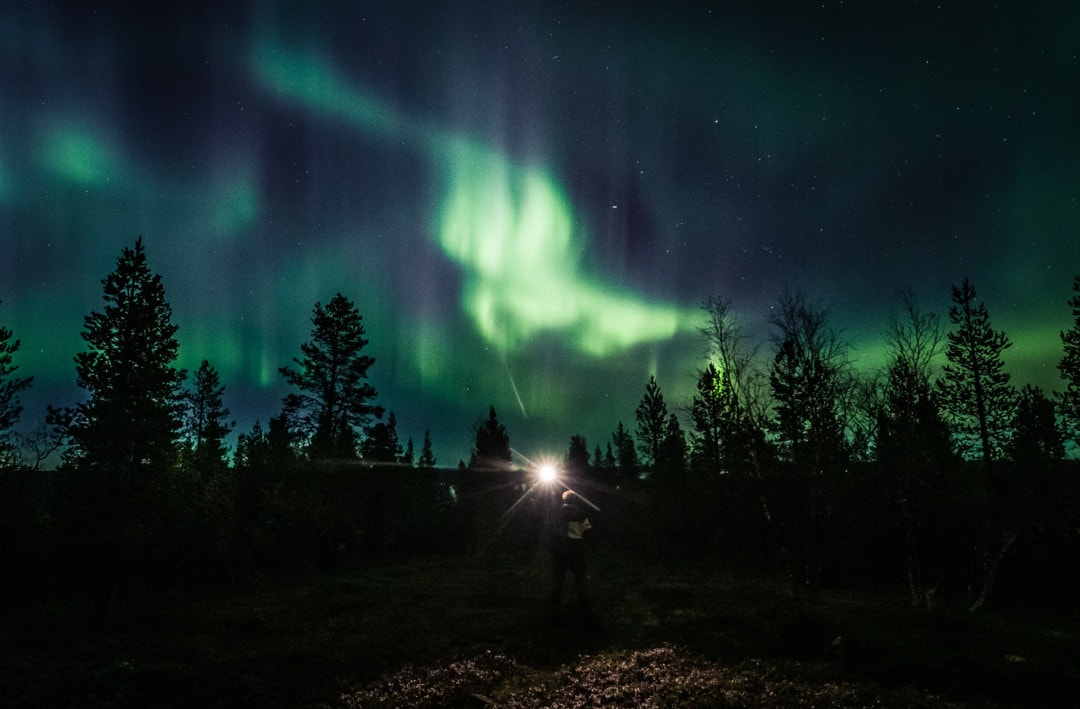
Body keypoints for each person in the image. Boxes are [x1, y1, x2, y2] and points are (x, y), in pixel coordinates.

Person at [549, 489, 592, 610]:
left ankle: (554, 600)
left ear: (564, 499)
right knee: (579, 576)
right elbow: (587, 530)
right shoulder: (580, 512)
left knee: (558, 576)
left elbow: (552, 529)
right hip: (576, 548)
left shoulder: (557, 511)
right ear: (574, 499)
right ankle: (583, 601)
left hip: (561, 548)